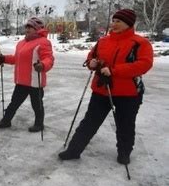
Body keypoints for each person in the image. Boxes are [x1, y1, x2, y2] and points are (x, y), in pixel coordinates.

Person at [59, 9, 153, 165]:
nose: (114, 24)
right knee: (89, 122)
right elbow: (91, 56)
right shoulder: (103, 41)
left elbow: (144, 64)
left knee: (125, 125)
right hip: (101, 90)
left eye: (119, 21)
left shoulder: (139, 43)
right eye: (113, 20)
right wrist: (92, 63)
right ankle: (73, 150)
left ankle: (124, 153)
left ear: (128, 24)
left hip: (128, 93)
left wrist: (114, 71)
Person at [0, 16, 54, 131]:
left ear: (37, 29)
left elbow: (49, 59)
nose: (27, 29)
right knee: (14, 103)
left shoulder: (43, 42)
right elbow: (17, 59)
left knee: (37, 105)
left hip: (35, 81)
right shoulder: (22, 43)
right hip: (21, 81)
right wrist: (4, 59)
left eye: (30, 27)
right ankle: (6, 121)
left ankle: (39, 124)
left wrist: (42, 65)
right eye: (26, 27)